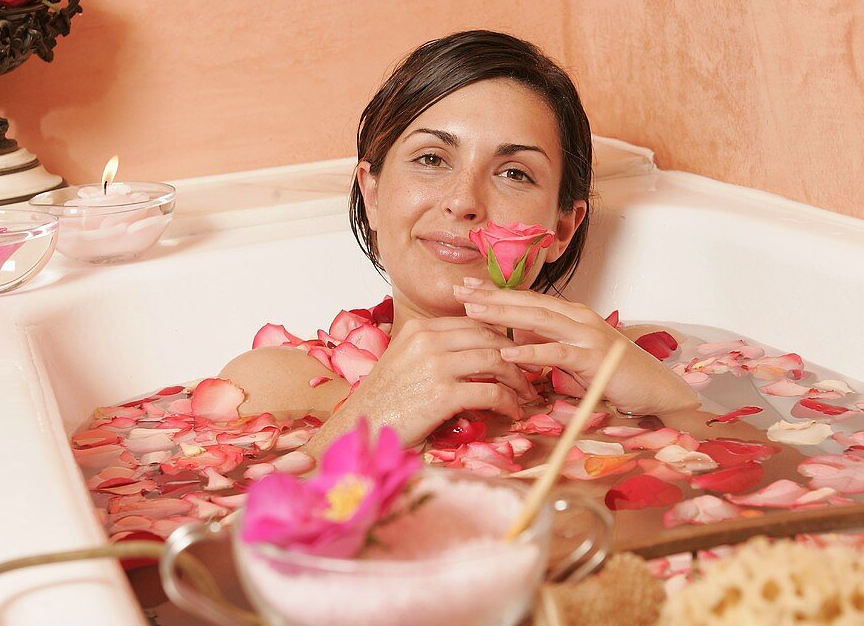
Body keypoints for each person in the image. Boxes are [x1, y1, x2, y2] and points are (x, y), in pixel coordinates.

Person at [220, 30, 700, 458]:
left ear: (563, 229)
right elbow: (215, 554)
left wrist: (675, 403)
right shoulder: (272, 387)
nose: (463, 201)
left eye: (514, 173)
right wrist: (360, 429)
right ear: (371, 192)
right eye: (431, 158)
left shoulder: (637, 362)